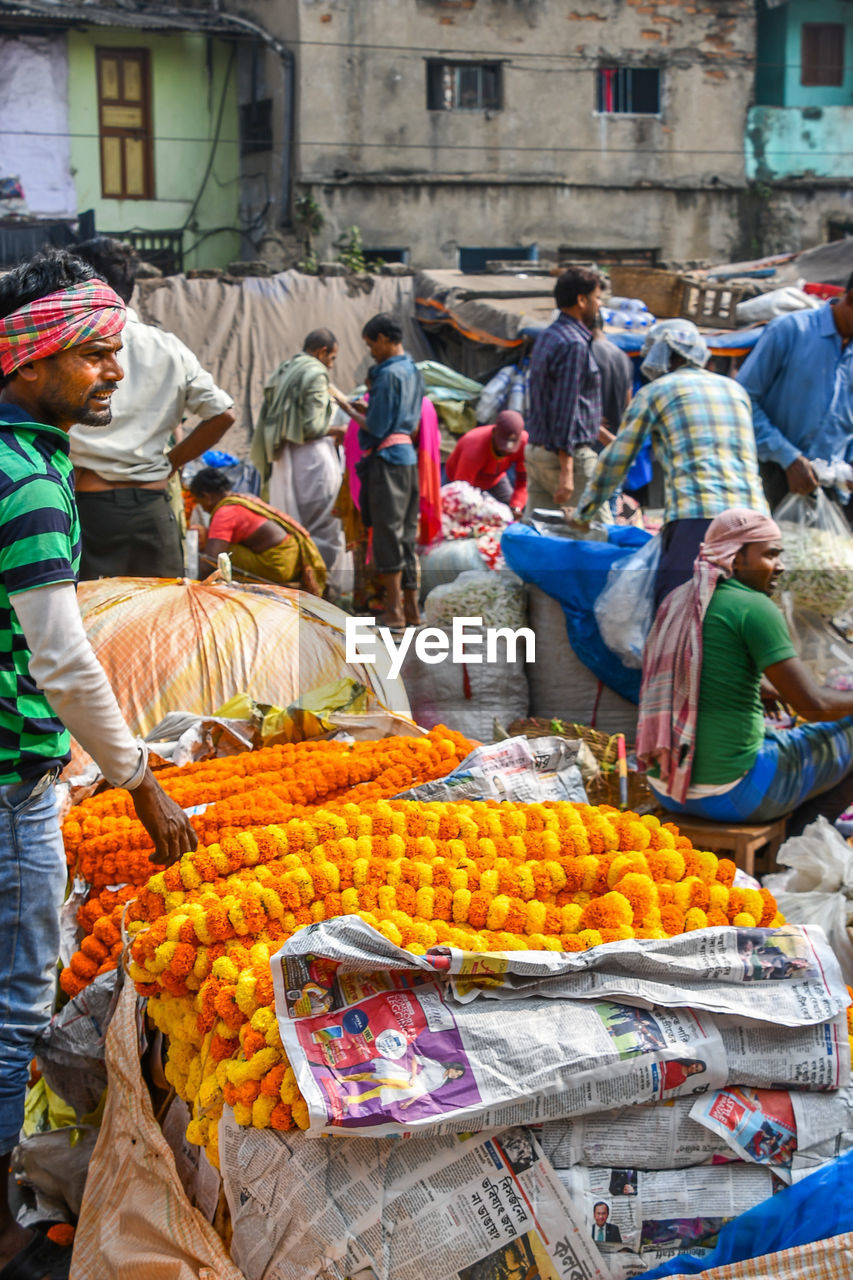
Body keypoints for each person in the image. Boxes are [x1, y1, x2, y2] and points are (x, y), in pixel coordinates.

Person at [0, 249, 197, 1271]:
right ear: (28, 359)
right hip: (7, 783)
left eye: (115, 354)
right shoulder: (27, 478)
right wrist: (141, 782)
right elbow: (63, 657)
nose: (112, 375)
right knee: (15, 1005)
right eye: (93, 355)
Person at [637, 507, 853, 823]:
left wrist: (763, 690)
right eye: (771, 555)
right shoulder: (754, 606)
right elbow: (815, 706)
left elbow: (695, 676)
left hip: (666, 787)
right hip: (735, 794)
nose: (779, 567)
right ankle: (800, 836)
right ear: (735, 558)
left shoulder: (678, 600)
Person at [68, 237, 235, 579]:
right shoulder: (167, 345)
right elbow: (223, 414)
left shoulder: (70, 346)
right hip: (154, 510)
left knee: (91, 623)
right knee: (157, 626)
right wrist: (171, 463)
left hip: (89, 510)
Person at [575, 321, 769, 608]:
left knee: (675, 615)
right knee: (746, 616)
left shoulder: (656, 391)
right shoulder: (734, 390)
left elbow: (617, 460)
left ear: (661, 355)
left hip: (699, 519)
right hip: (757, 519)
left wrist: (584, 513)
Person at [736, 273, 853, 506]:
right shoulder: (790, 330)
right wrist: (788, 457)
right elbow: (742, 399)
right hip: (770, 477)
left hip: (831, 489)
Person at [250, 328, 348, 589]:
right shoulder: (315, 372)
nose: (331, 364)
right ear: (322, 352)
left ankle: (301, 584)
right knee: (324, 523)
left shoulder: (286, 369)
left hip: (286, 459)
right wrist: (339, 430)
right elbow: (311, 427)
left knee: (294, 524)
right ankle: (321, 586)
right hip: (313, 460)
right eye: (332, 357)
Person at [345, 313, 425, 630]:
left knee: (387, 535)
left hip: (387, 461)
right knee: (406, 534)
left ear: (382, 339)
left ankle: (394, 612)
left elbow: (377, 427)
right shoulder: (413, 371)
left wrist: (350, 410)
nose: (371, 352)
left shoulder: (386, 375)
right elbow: (411, 421)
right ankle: (413, 611)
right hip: (407, 457)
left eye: (370, 345)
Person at [524, 267, 609, 518]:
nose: (599, 304)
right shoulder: (573, 343)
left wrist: (604, 436)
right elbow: (566, 408)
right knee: (600, 532)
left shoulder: (548, 336)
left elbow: (564, 402)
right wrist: (567, 470)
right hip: (565, 457)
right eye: (597, 298)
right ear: (581, 301)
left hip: (537, 452)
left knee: (538, 536)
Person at [188, 466, 326, 594]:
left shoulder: (225, 512)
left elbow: (212, 559)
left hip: (277, 564)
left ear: (207, 496)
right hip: (290, 558)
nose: (203, 509)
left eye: (199, 502)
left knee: (219, 553)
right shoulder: (241, 498)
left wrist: (191, 582)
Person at [444, 410, 527, 513]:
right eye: (502, 448)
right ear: (494, 432)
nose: (505, 452)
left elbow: (523, 482)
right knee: (459, 513)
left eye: (510, 450)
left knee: (512, 512)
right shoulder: (474, 447)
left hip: (495, 478)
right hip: (460, 482)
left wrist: (516, 506)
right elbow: (461, 492)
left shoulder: (524, 444)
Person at [338, 1055, 465, 1110]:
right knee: (375, 1077)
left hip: (409, 1091)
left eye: (457, 1076)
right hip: (407, 1080)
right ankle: (344, 1079)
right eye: (456, 1072)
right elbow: (416, 1059)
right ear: (453, 1067)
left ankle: (349, 1100)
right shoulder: (436, 1066)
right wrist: (414, 1076)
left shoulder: (441, 1083)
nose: (454, 1075)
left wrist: (408, 1103)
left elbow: (423, 1092)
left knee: (377, 1093)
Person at [591, 315, 633, 435]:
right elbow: (628, 402)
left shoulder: (583, 353)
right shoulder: (623, 357)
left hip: (589, 435)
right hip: (614, 436)